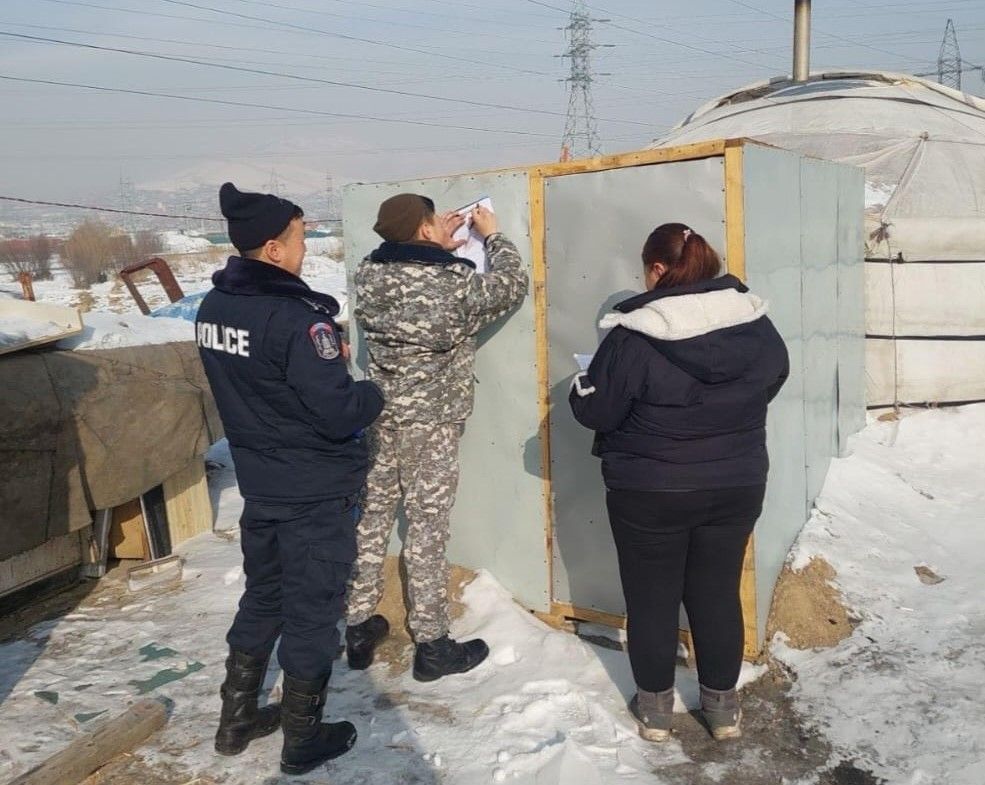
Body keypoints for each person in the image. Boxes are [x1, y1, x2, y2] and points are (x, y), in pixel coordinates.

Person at [568, 223, 788, 742]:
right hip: (736, 482)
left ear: (659, 269)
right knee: (716, 592)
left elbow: (597, 410)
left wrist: (582, 386)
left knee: (652, 599)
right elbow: (774, 377)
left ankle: (657, 713)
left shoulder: (635, 333)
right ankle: (723, 710)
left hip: (650, 488)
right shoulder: (755, 323)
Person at [196, 182, 384, 775]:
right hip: (312, 491)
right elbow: (336, 411)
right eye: (301, 239)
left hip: (263, 485)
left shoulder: (214, 309)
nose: (305, 250)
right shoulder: (296, 320)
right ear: (274, 250)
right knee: (310, 610)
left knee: (264, 596)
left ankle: (237, 719)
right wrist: (371, 392)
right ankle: (303, 738)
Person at [344, 193, 528, 681]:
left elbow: (409, 279)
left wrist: (436, 244)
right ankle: (432, 644)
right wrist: (491, 236)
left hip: (381, 413)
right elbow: (511, 284)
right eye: (434, 223)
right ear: (426, 230)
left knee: (373, 517)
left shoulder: (368, 274)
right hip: (432, 422)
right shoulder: (452, 281)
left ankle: (358, 625)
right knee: (427, 528)